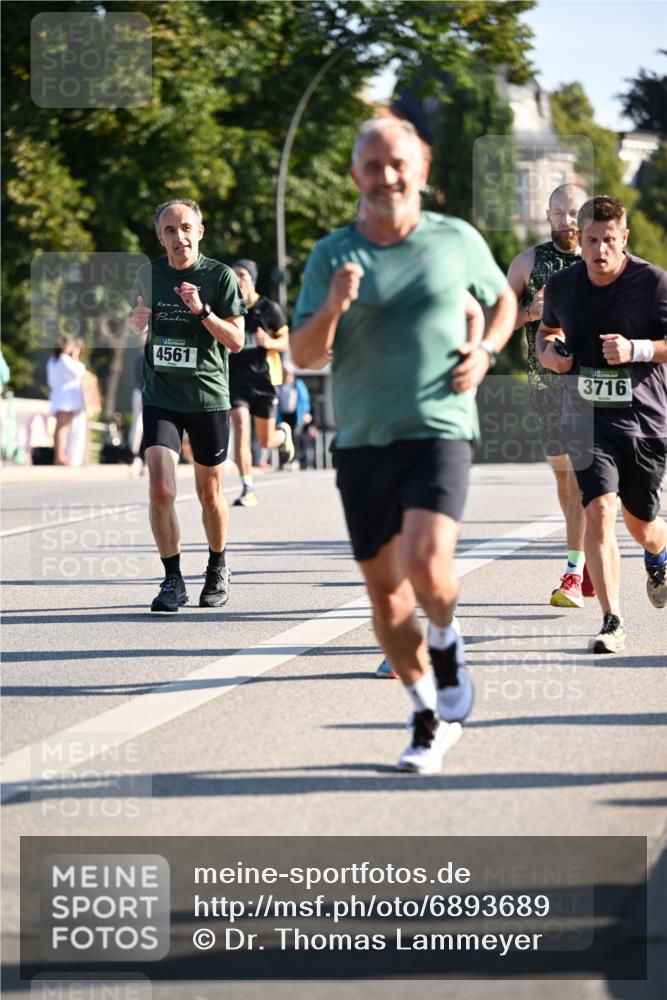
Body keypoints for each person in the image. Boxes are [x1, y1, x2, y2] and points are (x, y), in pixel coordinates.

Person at [291, 117, 516, 773]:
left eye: (397, 163)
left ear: (420, 166)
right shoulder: (331, 254)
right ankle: (427, 714)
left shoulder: (455, 240)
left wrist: (485, 349)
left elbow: (503, 299)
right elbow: (304, 355)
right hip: (362, 441)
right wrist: (332, 306)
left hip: (439, 426)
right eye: (371, 166)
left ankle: (445, 637)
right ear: (354, 174)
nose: (385, 176)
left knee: (425, 561)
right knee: (387, 602)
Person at [537, 195, 667, 653]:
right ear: (580, 238)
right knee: (598, 510)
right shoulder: (562, 286)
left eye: (608, 240)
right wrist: (549, 354)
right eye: (590, 240)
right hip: (586, 417)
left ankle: (659, 556)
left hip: (645, 423)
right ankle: (612, 619)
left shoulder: (652, 284)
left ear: (623, 238)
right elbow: (547, 331)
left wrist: (638, 350)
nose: (599, 250)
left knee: (642, 524)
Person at [130, 199, 246, 612]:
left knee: (208, 492)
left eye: (185, 228)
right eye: (168, 230)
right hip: (161, 396)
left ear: (199, 231)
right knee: (160, 487)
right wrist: (136, 327)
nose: (178, 237)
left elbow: (236, 341)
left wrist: (202, 311)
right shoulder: (148, 275)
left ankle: (217, 566)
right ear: (159, 236)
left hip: (207, 397)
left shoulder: (220, 276)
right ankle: (172, 579)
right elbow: (136, 332)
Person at [374, 289, 485, 680]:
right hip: (385, 424)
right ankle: (413, 637)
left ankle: (442, 631)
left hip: (440, 424)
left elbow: (475, 312)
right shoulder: (357, 267)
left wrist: (475, 354)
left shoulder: (436, 265)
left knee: (429, 548)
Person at [507, 183, 595, 608]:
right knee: (563, 480)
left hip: (587, 384)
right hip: (544, 386)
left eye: (574, 212)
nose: (567, 221)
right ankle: (587, 555)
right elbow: (499, 320)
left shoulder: (599, 259)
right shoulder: (528, 262)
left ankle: (574, 571)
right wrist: (528, 312)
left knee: (579, 478)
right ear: (547, 214)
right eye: (559, 212)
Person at [229, 260, 294, 507]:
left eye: (242, 275)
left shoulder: (269, 309)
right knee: (241, 428)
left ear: (253, 279)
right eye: (233, 276)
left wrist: (268, 342)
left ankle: (283, 434)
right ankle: (248, 487)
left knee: (266, 441)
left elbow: (286, 341)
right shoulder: (228, 308)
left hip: (266, 381)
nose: (237, 280)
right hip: (236, 380)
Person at [46, 335, 85, 465]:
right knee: (63, 428)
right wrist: (74, 357)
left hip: (58, 396)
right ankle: (59, 456)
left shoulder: (53, 360)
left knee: (59, 428)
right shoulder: (64, 359)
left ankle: (59, 455)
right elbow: (79, 372)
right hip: (66, 399)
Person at [277, 361, 313, 465]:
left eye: (288, 373)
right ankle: (283, 461)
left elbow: (304, 399)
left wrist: (306, 412)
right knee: (282, 438)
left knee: (295, 437)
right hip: (283, 416)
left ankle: (295, 460)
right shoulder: (279, 386)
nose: (287, 376)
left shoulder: (298, 384)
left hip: (295, 416)